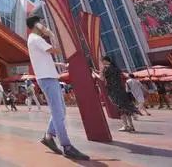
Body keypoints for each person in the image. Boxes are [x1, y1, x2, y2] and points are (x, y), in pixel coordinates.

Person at [26, 15, 89, 160]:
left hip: (49, 77)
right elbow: (57, 50)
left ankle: (49, 137)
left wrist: (58, 64)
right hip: (47, 78)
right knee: (58, 112)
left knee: (60, 111)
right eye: (42, 23)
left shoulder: (34, 40)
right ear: (37, 25)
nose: (44, 25)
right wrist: (52, 34)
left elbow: (42, 58)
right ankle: (66, 146)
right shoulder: (36, 39)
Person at [98, 56, 137, 132]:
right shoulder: (116, 68)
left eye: (102, 61)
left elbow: (101, 78)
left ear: (105, 61)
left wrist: (99, 72)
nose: (101, 63)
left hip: (113, 90)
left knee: (120, 108)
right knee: (126, 107)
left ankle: (125, 126)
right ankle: (131, 125)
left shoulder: (105, 68)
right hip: (121, 90)